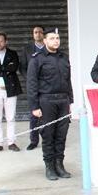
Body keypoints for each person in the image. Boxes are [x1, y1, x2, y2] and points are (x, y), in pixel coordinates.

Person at [27, 28, 74, 181]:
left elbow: (68, 80)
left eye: (57, 38)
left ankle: (59, 165)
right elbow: (31, 84)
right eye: (52, 38)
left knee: (61, 135)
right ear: (45, 41)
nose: (56, 41)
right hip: (46, 101)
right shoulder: (37, 59)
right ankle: (49, 167)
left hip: (63, 101)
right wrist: (34, 107)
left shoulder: (64, 58)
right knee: (48, 135)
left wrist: (70, 101)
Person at [20, 25, 45, 151]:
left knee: (48, 114)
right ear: (33, 34)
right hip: (33, 87)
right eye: (36, 32)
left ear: (44, 34)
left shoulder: (49, 47)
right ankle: (34, 141)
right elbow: (22, 67)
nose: (38, 34)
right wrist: (30, 79)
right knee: (34, 115)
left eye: (40, 32)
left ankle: (48, 139)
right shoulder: (27, 49)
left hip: (47, 86)